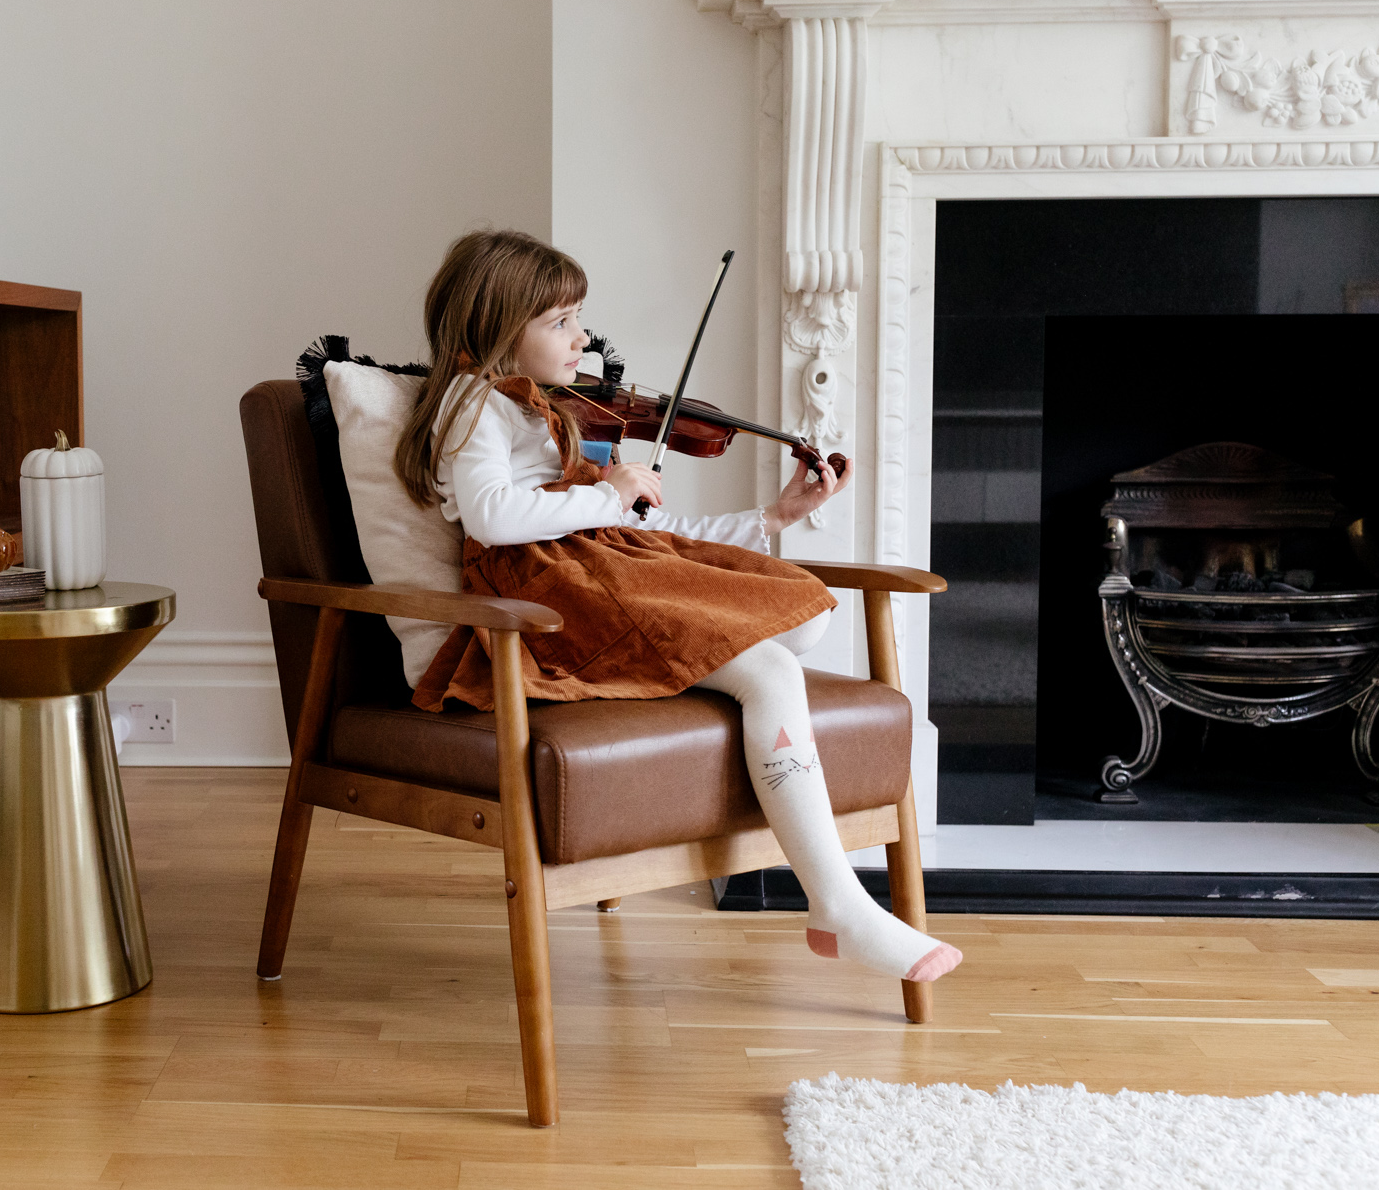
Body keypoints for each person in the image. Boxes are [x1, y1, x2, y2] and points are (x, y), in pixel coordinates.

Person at [392, 229, 960, 985]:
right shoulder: (473, 403)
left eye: (577, 317)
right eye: (560, 321)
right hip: (549, 600)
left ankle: (832, 898)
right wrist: (606, 491)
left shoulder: (547, 413)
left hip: (597, 569)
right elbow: (493, 516)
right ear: (498, 324)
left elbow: (651, 530)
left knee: (805, 614)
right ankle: (839, 905)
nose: (582, 336)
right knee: (769, 674)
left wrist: (774, 518)